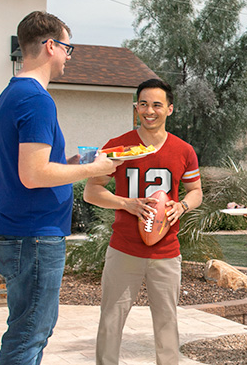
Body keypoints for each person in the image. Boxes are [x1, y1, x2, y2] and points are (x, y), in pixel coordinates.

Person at [0, 11, 121, 365]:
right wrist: (94, 169)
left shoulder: (12, 94)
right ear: (50, 46)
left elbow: (33, 165)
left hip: (20, 230)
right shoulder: (36, 100)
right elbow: (33, 175)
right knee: (30, 333)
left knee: (27, 328)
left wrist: (75, 161)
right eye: (67, 48)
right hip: (33, 234)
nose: (67, 56)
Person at [84, 78, 203, 364]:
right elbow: (91, 191)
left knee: (167, 323)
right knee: (111, 320)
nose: (150, 111)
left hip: (166, 251)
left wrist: (182, 206)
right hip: (124, 248)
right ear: (136, 107)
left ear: (170, 109)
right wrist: (126, 203)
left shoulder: (183, 150)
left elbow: (196, 191)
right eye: (144, 104)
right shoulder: (118, 146)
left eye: (157, 105)